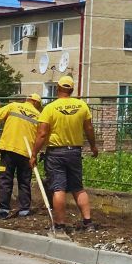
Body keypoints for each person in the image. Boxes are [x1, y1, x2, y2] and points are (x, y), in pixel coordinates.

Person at [31, 75, 99, 232]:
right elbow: (89, 128)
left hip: (56, 153)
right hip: (74, 151)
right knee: (78, 188)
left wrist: (34, 154)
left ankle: (60, 225)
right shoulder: (82, 106)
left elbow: (42, 134)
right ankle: (88, 223)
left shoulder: (50, 108)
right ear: (72, 89)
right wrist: (94, 146)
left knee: (58, 188)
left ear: (59, 88)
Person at [0, 92, 43, 219]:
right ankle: (24, 210)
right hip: (27, 153)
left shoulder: (13, 106)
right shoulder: (39, 116)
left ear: (28, 100)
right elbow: (42, 136)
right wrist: (35, 153)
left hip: (8, 149)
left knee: (5, 180)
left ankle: (3, 210)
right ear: (36, 103)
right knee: (24, 181)